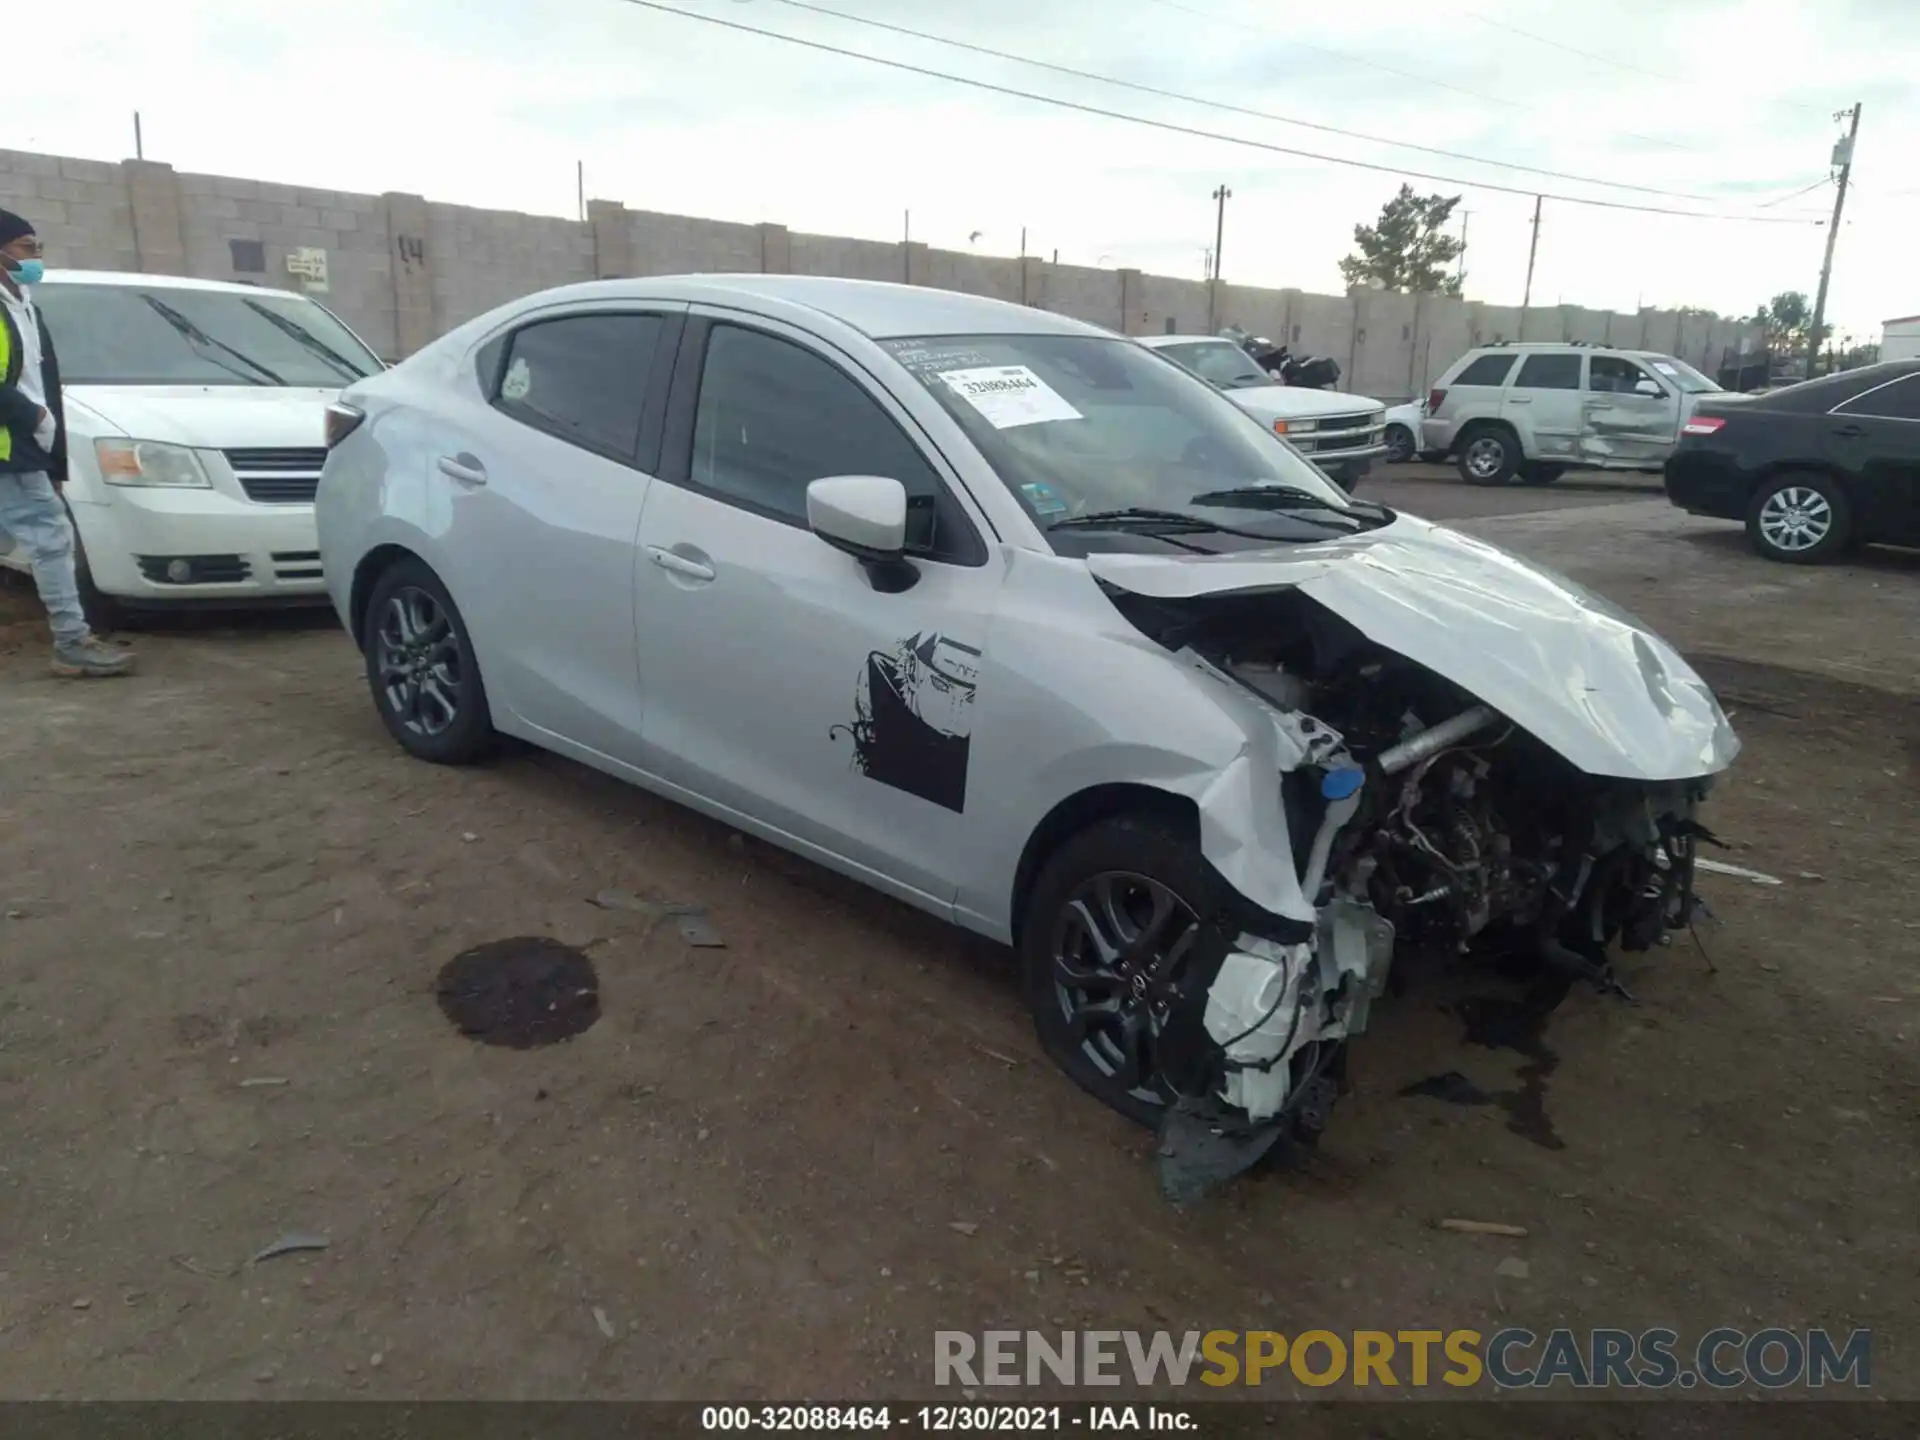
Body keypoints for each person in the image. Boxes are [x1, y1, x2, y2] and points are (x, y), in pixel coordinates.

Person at [0, 208, 132, 676]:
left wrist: (54, 461)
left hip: (23, 448)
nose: (36, 257)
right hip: (9, 448)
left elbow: (45, 382)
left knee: (46, 536)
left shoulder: (26, 308)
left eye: (38, 247)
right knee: (52, 540)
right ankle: (72, 642)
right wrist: (32, 417)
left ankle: (72, 640)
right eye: (26, 247)